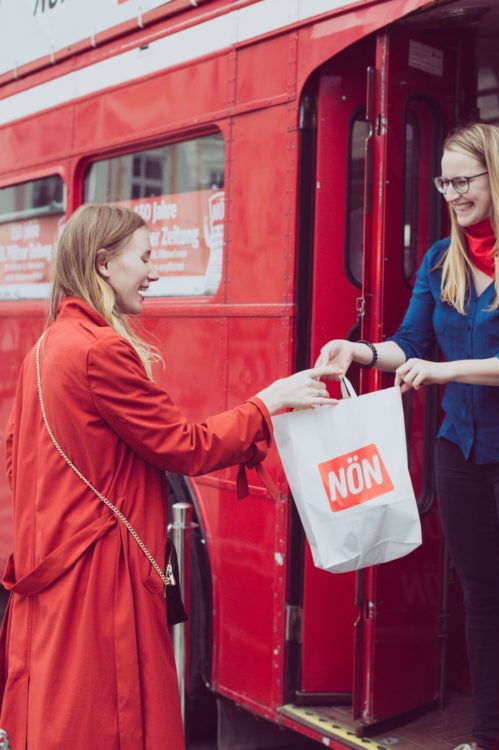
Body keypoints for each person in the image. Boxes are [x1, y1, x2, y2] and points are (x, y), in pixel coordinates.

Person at [0, 203, 340, 750]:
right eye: (146, 257)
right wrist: (266, 403)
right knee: (116, 717)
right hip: (102, 574)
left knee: (64, 710)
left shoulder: (46, 347)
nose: (154, 271)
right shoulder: (101, 349)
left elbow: (18, 456)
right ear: (105, 264)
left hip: (57, 566)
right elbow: (184, 445)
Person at [317, 123, 499, 750]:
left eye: (463, 180)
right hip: (458, 449)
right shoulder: (441, 259)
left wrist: (444, 371)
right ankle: (490, 737)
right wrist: (355, 350)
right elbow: (410, 345)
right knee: (480, 600)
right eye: (445, 181)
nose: (452, 193)